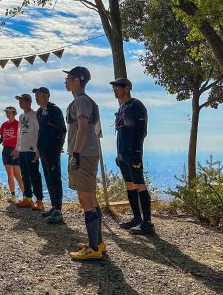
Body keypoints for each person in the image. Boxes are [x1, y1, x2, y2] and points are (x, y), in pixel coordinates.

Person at [64, 66, 104, 260]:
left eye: (69, 78)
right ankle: (97, 242)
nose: (66, 81)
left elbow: (82, 128)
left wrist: (76, 154)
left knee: (85, 198)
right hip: (88, 153)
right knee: (91, 197)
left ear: (78, 81)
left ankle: (94, 249)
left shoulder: (81, 101)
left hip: (84, 154)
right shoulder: (84, 101)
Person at [111, 77, 155, 235]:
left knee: (140, 185)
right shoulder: (122, 107)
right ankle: (136, 218)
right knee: (129, 185)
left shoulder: (136, 105)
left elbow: (142, 131)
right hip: (123, 154)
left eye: (118, 87)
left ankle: (147, 223)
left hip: (133, 153)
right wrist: (119, 155)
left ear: (127, 88)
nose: (115, 90)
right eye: (114, 88)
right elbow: (121, 132)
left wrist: (136, 153)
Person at [33, 86, 67, 224]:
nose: (36, 98)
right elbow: (40, 131)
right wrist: (37, 147)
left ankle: (58, 210)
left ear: (46, 96)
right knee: (48, 178)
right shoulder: (40, 111)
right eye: (35, 96)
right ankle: (53, 206)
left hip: (53, 150)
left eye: (38, 95)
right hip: (43, 149)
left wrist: (59, 146)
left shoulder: (55, 110)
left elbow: (62, 129)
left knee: (55, 179)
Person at [13, 94, 45, 211]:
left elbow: (39, 132)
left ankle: (39, 201)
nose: (20, 103)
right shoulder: (21, 116)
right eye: (19, 101)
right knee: (25, 175)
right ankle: (28, 198)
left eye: (22, 101)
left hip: (32, 150)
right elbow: (19, 133)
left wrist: (38, 148)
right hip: (22, 150)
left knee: (34, 175)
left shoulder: (35, 115)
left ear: (29, 102)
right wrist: (17, 148)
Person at [0, 106, 24, 203]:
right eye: (7, 112)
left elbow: (22, 138)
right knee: (10, 174)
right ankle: (13, 196)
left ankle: (26, 196)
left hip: (15, 150)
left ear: (14, 113)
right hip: (6, 150)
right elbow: (1, 139)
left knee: (17, 174)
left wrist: (17, 149)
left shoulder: (18, 124)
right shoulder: (4, 125)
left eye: (10, 112)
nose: (8, 114)